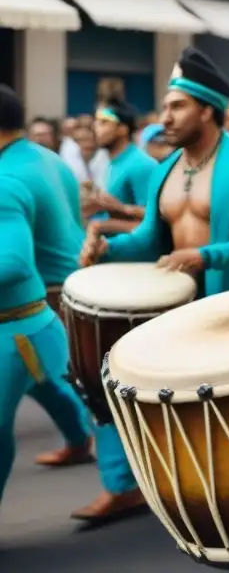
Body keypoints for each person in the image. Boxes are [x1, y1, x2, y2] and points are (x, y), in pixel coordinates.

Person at [79, 47, 229, 299]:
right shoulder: (165, 170)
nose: (165, 119)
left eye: (177, 107)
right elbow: (149, 238)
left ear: (206, 111)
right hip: (178, 306)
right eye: (165, 108)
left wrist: (205, 256)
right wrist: (108, 248)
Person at [0, 88, 95, 471]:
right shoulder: (48, 158)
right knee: (49, 381)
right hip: (61, 292)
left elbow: (14, 262)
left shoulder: (6, 177)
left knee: (73, 387)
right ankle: (78, 441)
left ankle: (122, 483)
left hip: (39, 299)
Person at [0, 173, 90, 509]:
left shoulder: (5, 185)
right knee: (47, 388)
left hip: (18, 327)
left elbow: (15, 264)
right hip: (27, 327)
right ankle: (80, 442)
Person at [86, 100, 157, 237]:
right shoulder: (110, 162)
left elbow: (154, 220)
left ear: (122, 129)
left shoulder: (141, 165)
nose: (95, 127)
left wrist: (100, 226)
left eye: (104, 122)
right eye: (96, 122)